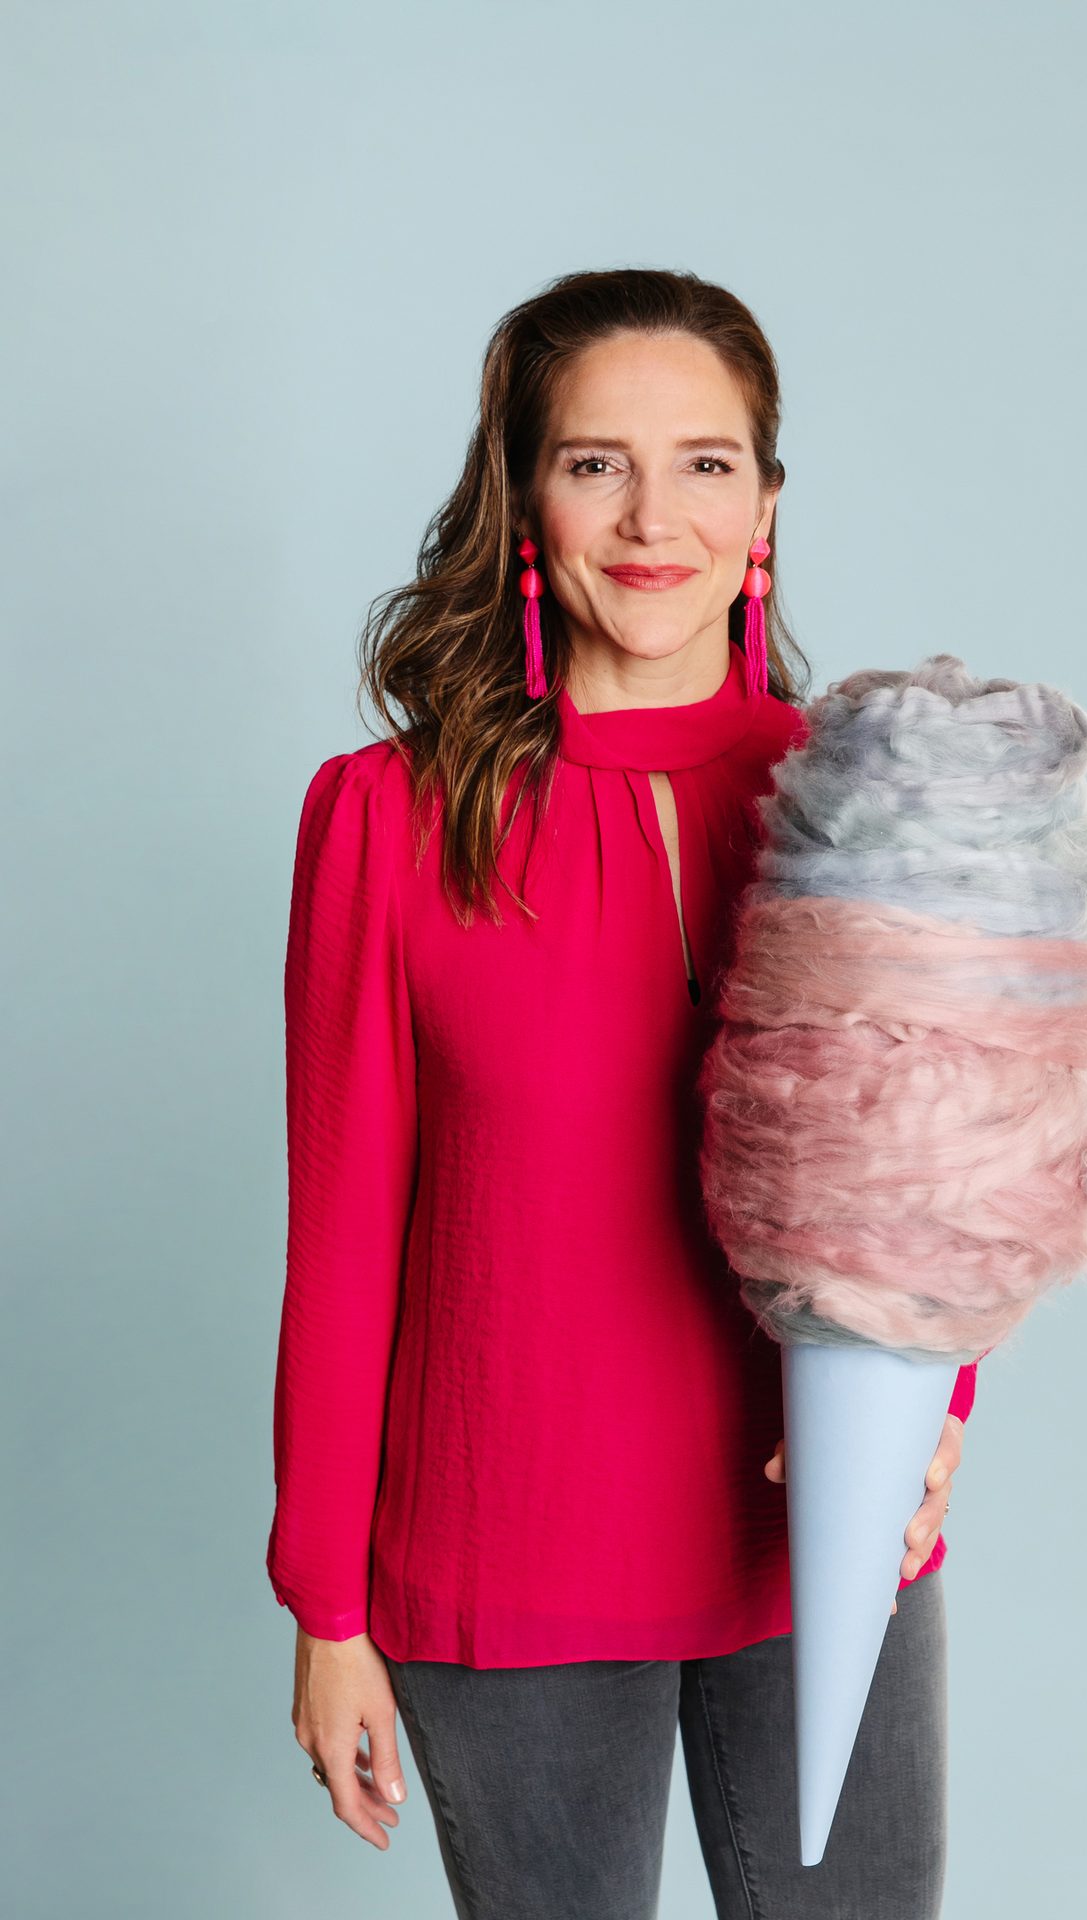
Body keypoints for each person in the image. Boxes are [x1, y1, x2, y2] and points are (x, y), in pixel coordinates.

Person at [266, 267, 981, 1918]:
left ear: (769, 503)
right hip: (508, 1541)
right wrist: (326, 1610)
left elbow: (948, 1176)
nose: (654, 516)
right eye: (596, 462)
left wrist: (934, 1422)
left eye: (707, 463)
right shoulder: (384, 820)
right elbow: (347, 1232)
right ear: (526, 496)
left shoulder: (866, 802)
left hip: (821, 1534)